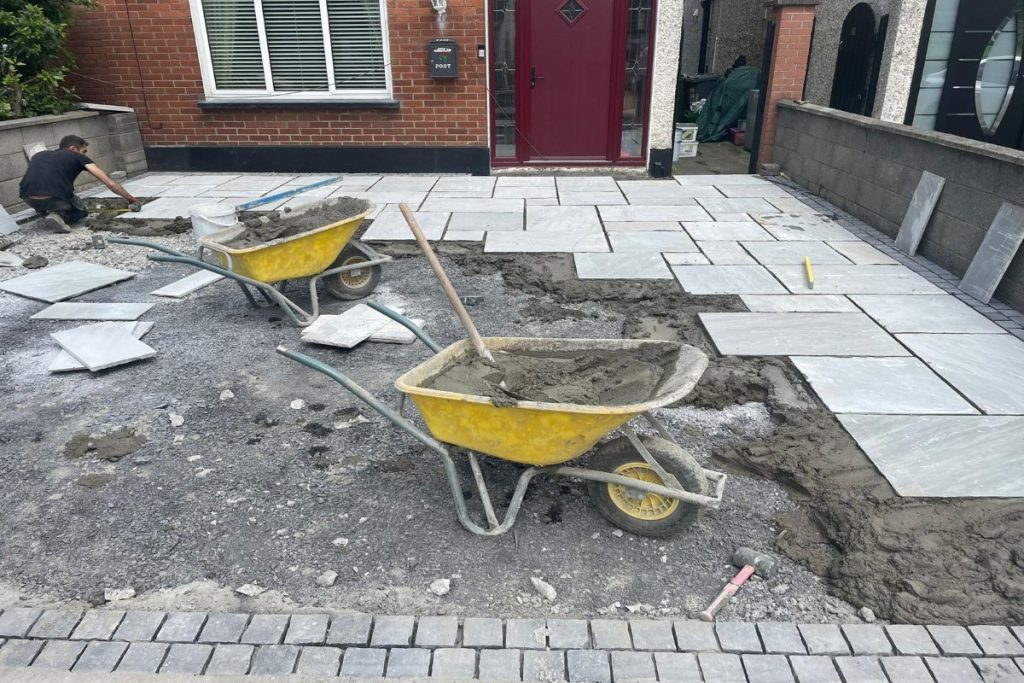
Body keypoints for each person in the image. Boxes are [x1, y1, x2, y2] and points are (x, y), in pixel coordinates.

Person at [19, 134, 140, 233]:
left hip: (28, 199)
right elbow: (110, 183)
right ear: (73, 148)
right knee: (80, 210)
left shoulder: (39, 155)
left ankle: (44, 211)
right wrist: (131, 199)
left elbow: (38, 178)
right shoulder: (76, 156)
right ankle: (59, 215)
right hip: (53, 199)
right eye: (84, 151)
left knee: (48, 193)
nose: (84, 155)